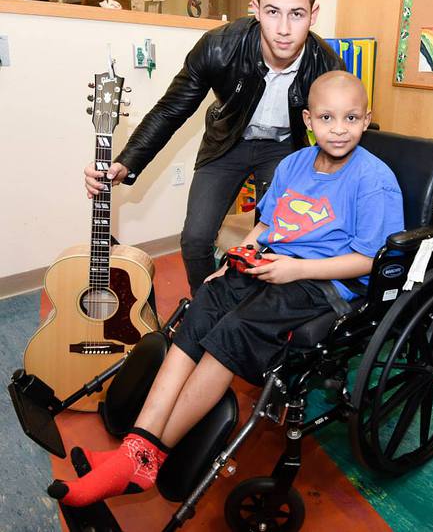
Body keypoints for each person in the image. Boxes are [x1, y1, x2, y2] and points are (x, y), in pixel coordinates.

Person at [47, 70, 404, 507]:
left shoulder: (374, 179)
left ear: (367, 120)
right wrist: (236, 259)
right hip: (275, 265)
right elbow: (268, 225)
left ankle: (142, 456)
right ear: (309, 119)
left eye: (351, 118)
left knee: (232, 330)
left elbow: (371, 259)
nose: (339, 128)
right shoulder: (294, 163)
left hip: (326, 283)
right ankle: (134, 450)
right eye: (327, 117)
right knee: (207, 302)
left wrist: (295, 270)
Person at [83, 0, 345, 295]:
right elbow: (170, 110)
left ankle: (248, 317)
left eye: (296, 14)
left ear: (313, 14)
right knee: (195, 240)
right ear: (255, 7)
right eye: (272, 12)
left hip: (284, 148)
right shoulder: (219, 47)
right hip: (228, 140)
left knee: (270, 244)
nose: (283, 29)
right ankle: (205, 307)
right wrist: (126, 162)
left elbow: (344, 129)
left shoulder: (326, 64)